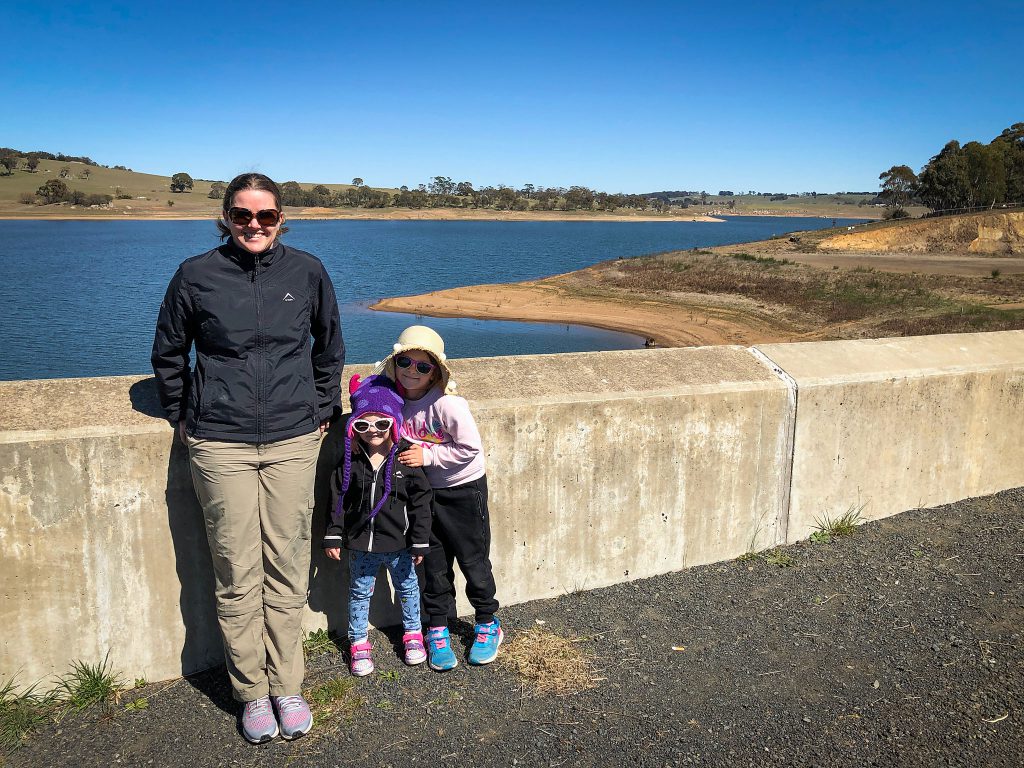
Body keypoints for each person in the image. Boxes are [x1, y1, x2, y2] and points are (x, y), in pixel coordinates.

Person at [151, 172, 344, 743]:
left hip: (291, 438)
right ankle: (252, 693)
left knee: (286, 568)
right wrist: (183, 415)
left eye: (264, 216)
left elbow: (329, 346)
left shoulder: (306, 271)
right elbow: (168, 353)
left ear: (280, 218)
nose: (253, 225)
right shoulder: (196, 275)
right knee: (236, 574)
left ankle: (288, 685)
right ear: (226, 217)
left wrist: (319, 409)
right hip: (220, 442)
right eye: (242, 215)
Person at [374, 325, 502, 671]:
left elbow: (471, 449)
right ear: (395, 363)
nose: (411, 371)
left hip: (463, 491)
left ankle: (488, 621)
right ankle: (439, 627)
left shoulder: (449, 405)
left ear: (435, 374)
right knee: (433, 565)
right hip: (423, 497)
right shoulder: (394, 404)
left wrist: (427, 457)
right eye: (404, 362)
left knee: (473, 560)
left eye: (422, 366)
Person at [323, 374, 432, 676]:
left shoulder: (406, 461)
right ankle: (358, 641)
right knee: (360, 592)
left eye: (382, 424)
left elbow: (422, 503)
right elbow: (338, 500)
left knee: (408, 589)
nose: (373, 431)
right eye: (363, 424)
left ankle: (412, 634)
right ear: (353, 427)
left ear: (394, 423)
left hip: (400, 545)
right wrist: (333, 535)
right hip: (361, 545)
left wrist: (420, 540)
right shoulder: (349, 463)